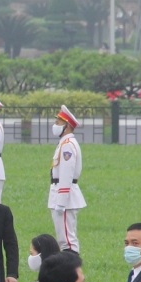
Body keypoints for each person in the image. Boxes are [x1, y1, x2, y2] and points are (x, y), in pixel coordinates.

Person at [48, 105, 85, 251]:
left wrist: (61, 202)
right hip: (60, 193)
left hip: (65, 197)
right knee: (64, 238)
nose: (55, 126)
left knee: (67, 240)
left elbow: (66, 174)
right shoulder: (64, 143)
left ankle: (72, 270)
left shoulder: (68, 145)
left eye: (58, 123)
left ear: (67, 126)